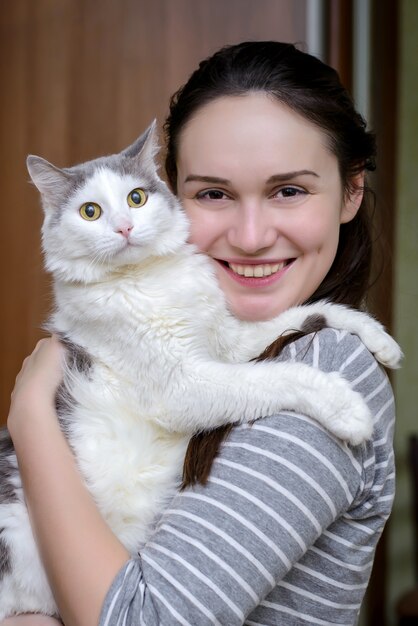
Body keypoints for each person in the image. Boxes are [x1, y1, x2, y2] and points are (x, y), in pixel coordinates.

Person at [3, 41, 396, 626]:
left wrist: (30, 415)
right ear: (176, 194)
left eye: (289, 190)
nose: (251, 236)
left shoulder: (330, 370)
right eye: (214, 193)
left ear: (352, 191)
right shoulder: (242, 329)